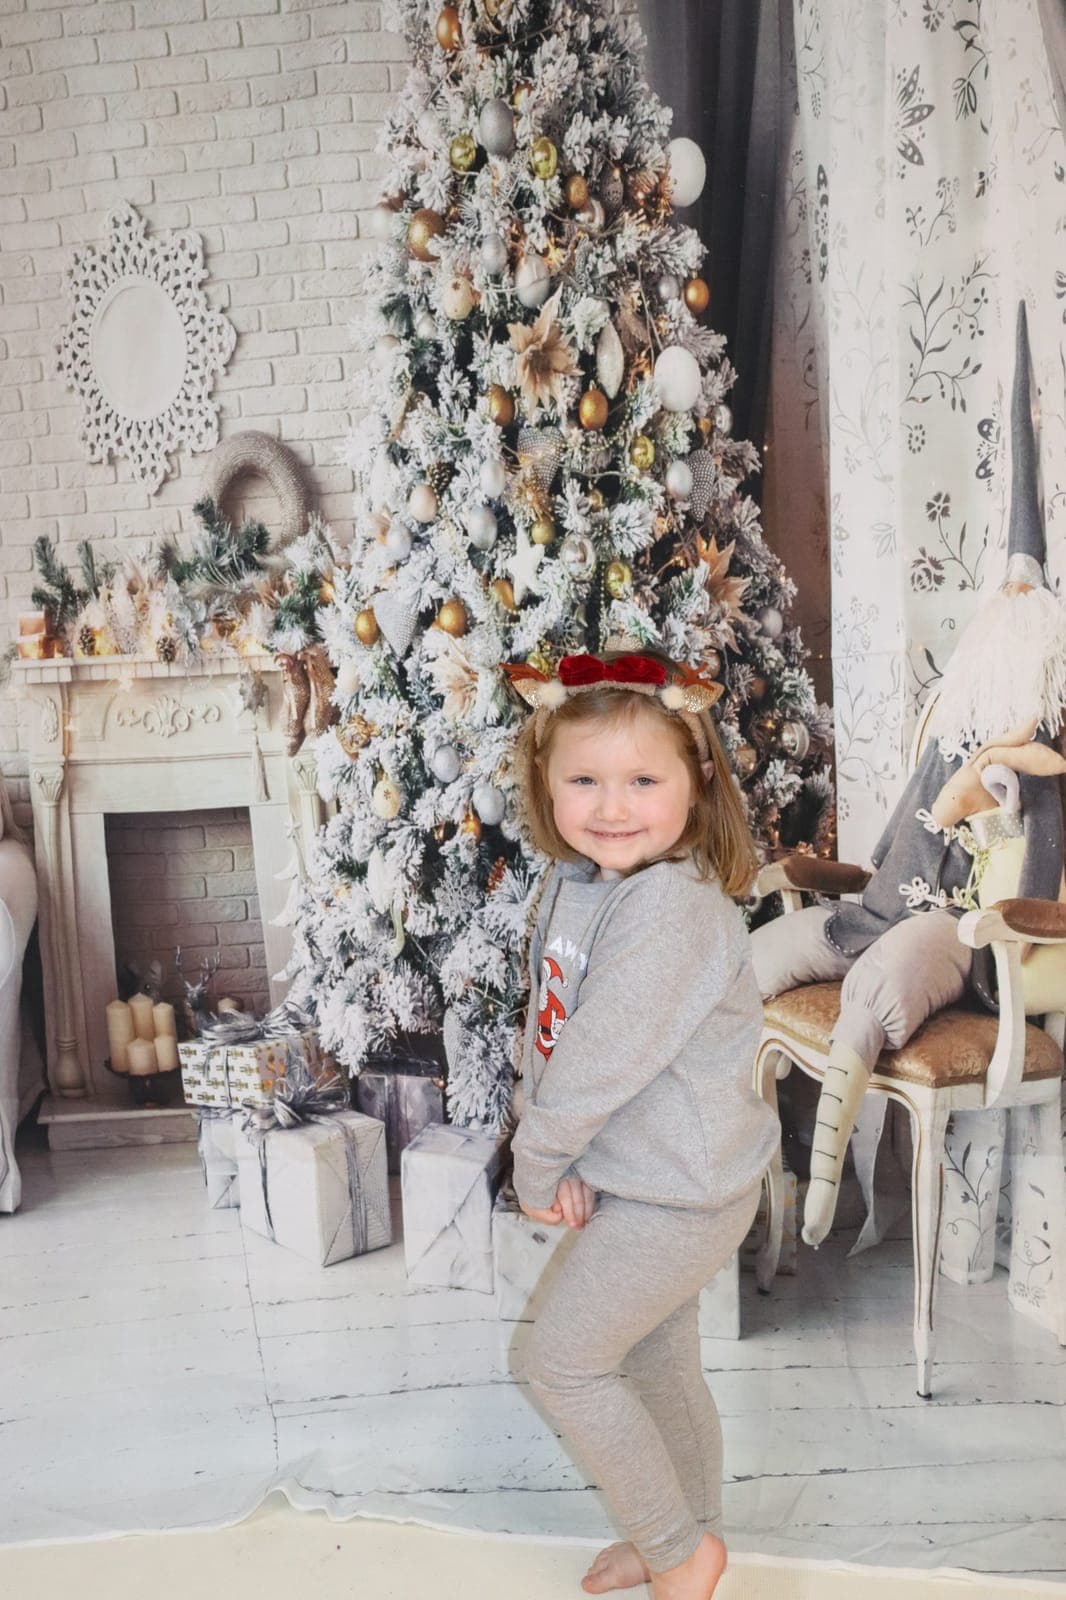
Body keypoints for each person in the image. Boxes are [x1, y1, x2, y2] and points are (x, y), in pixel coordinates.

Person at [751, 300, 1066, 1250]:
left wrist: (994, 785)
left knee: (881, 981)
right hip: (883, 904)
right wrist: (857, 868)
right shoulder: (952, 719)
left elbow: (1038, 878)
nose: (1005, 610)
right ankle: (723, 1163)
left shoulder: (1037, 756)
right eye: (1000, 599)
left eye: (1024, 601)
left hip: (960, 939)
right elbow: (896, 837)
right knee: (761, 958)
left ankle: (819, 1193)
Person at [504, 646, 779, 1600]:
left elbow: (590, 1067)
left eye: (641, 780)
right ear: (545, 778)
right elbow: (549, 1034)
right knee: (657, 1359)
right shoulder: (582, 883)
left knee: (563, 1362)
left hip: (684, 1193)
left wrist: (536, 1167)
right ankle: (687, 1533)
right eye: (584, 779)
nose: (611, 806)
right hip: (649, 1176)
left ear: (695, 783)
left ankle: (676, 1551)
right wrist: (569, 1153)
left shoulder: (668, 911)